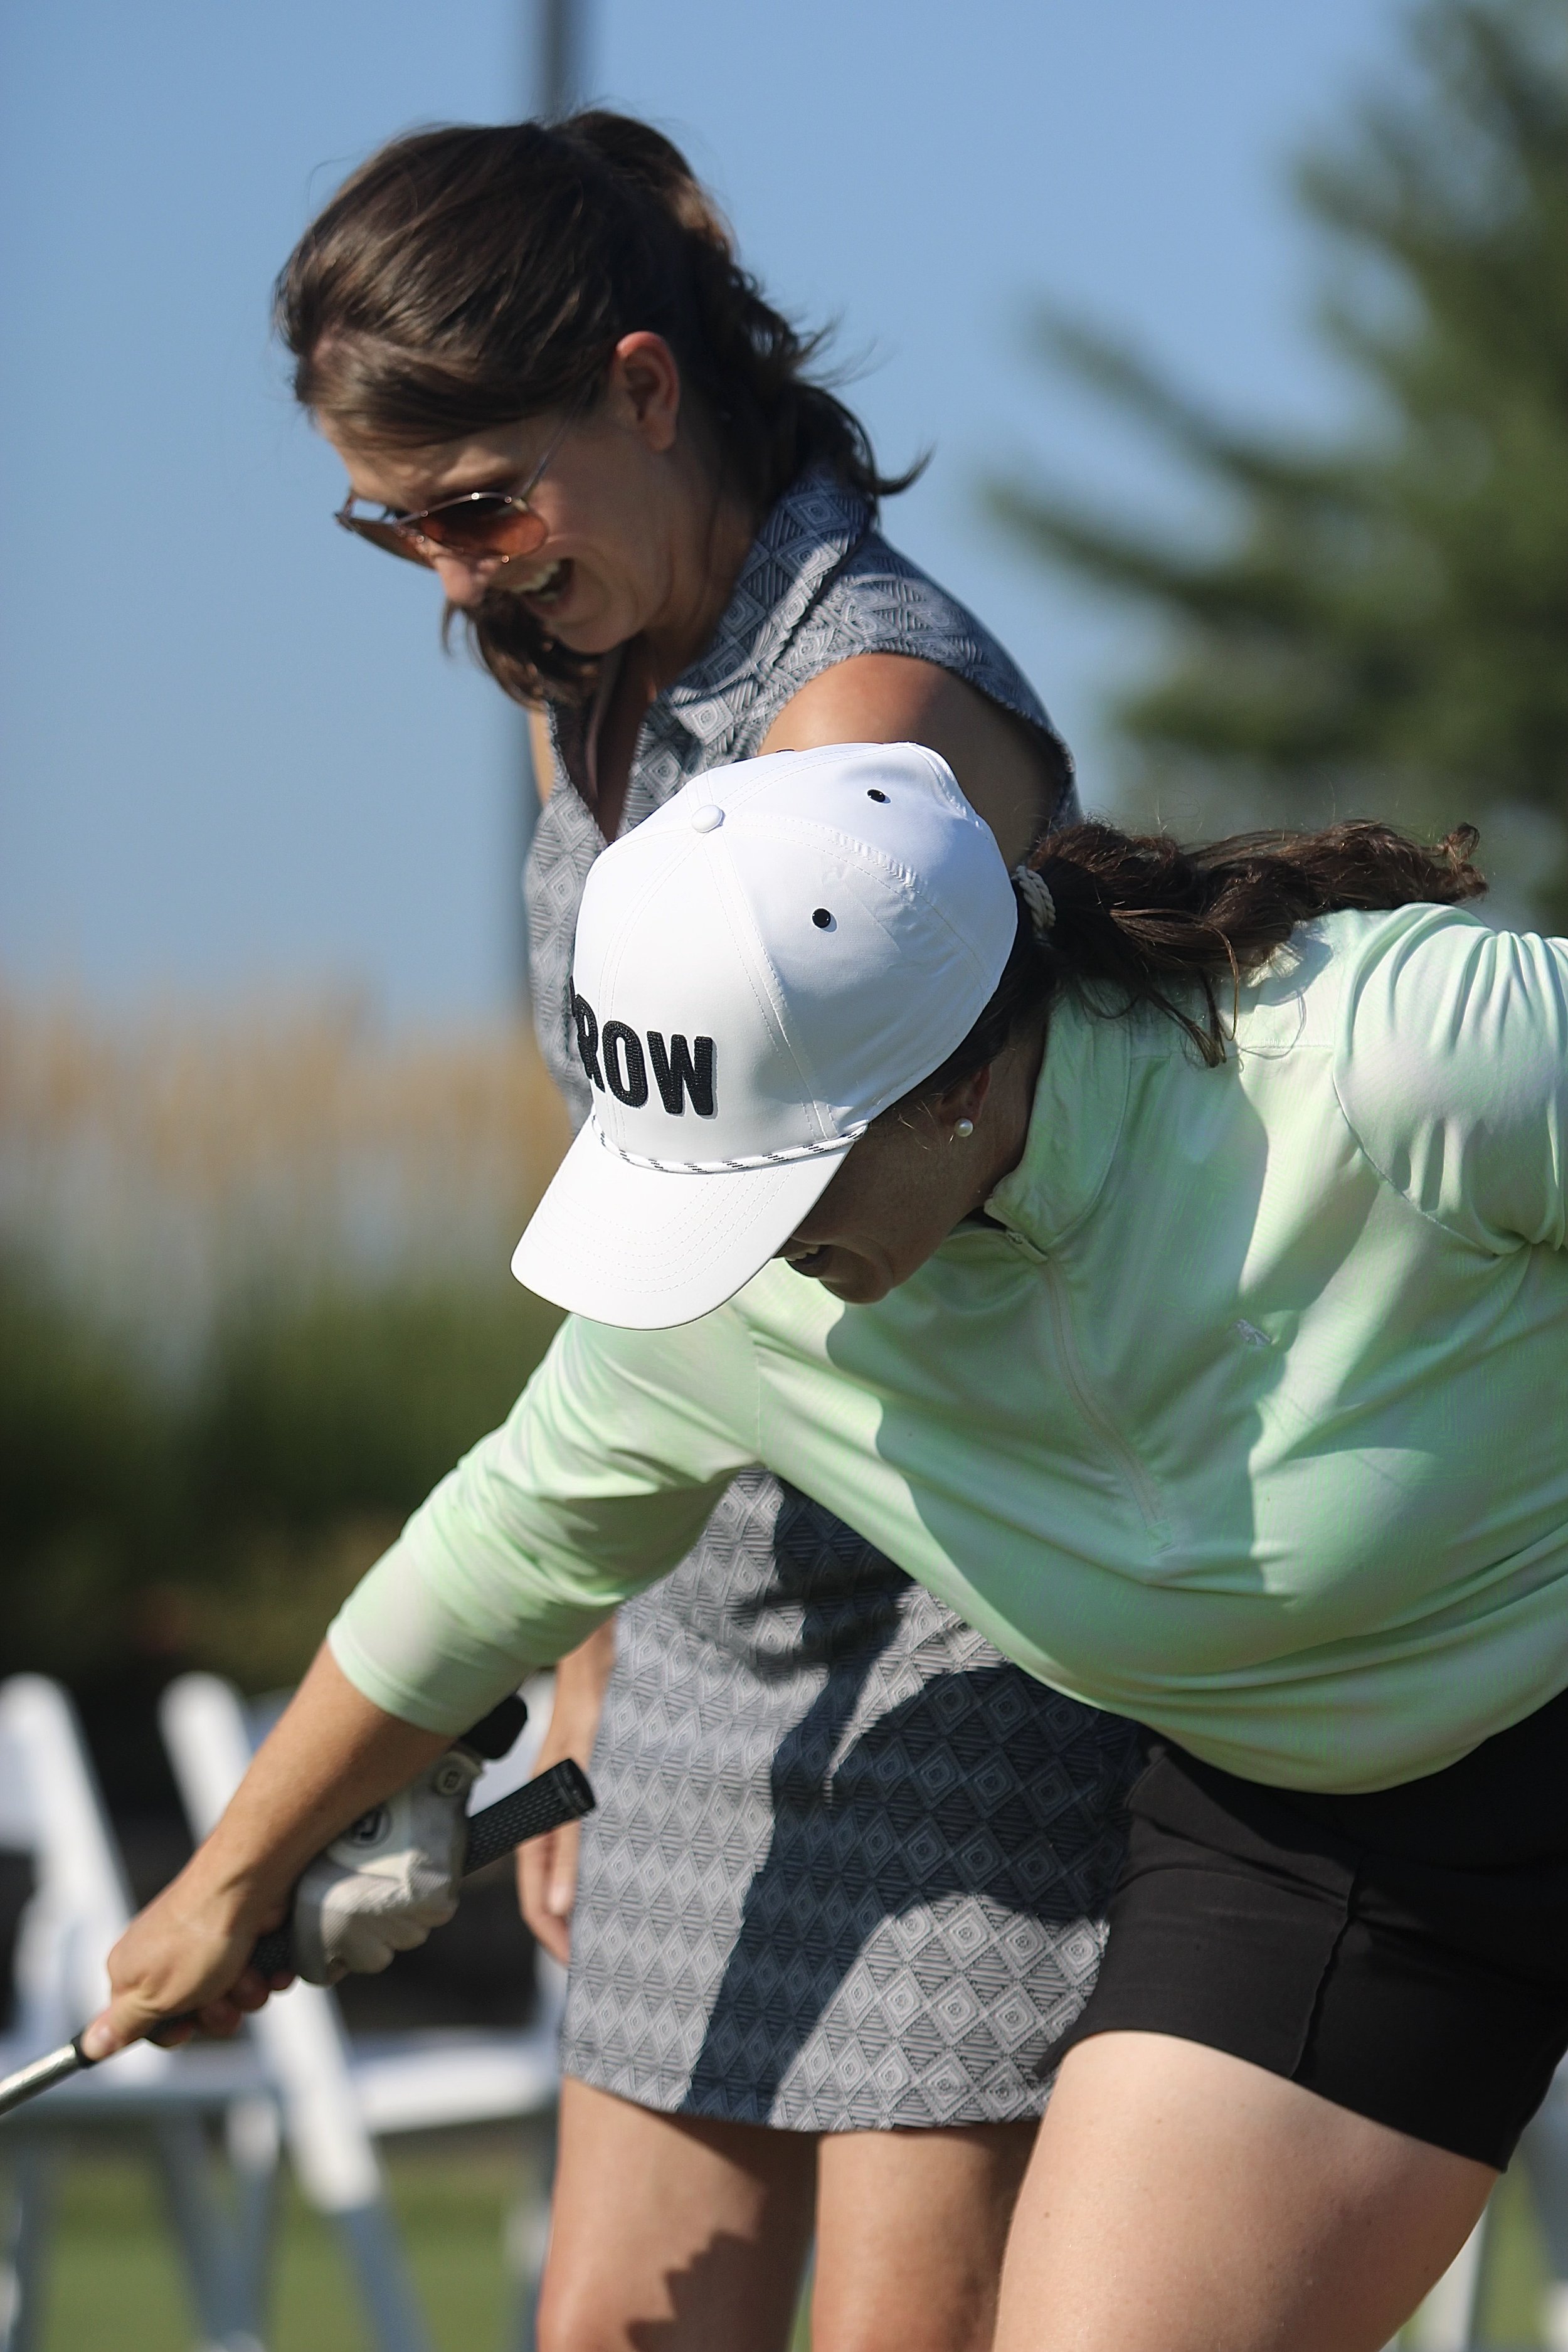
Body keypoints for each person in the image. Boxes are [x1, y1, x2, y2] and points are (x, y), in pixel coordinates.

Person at [88, 741, 1568, 2352]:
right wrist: (224, 1882)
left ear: (953, 1076)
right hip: (1331, 1852)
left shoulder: (1395, 1049)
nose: (745, 1250)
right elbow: (495, 1551)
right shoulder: (732, 1297)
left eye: (778, 1185)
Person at [270, 114, 1140, 2352]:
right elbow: (647, 1240)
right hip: (709, 1653)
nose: (455, 580)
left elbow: (816, 1259)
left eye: (483, 507)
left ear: (649, 393)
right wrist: (596, 1666)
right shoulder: (598, 687)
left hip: (967, 1629)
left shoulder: (873, 714)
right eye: (399, 529)